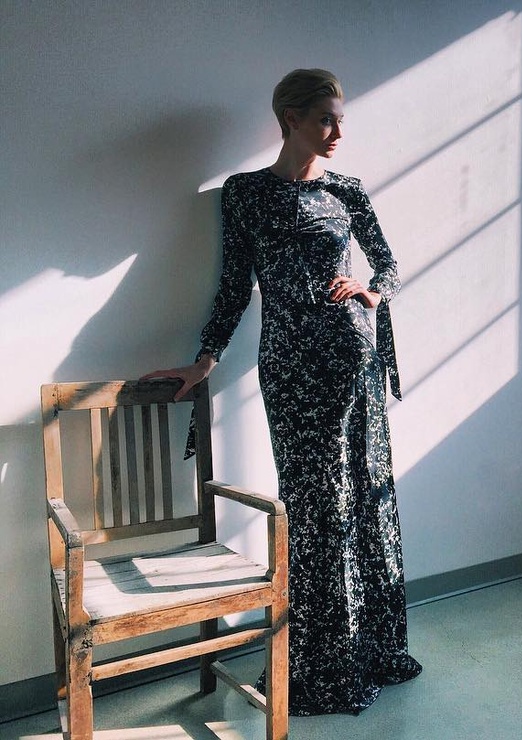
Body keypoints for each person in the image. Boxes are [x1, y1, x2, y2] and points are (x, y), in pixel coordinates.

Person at [143, 68, 422, 715]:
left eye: (340, 118)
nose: (338, 131)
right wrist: (205, 360)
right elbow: (234, 286)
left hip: (353, 362)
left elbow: (389, 263)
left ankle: (369, 651)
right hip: (292, 369)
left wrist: (372, 291)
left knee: (362, 501)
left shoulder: (347, 190)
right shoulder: (244, 194)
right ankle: (322, 663)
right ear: (290, 118)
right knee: (315, 506)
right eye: (325, 118)